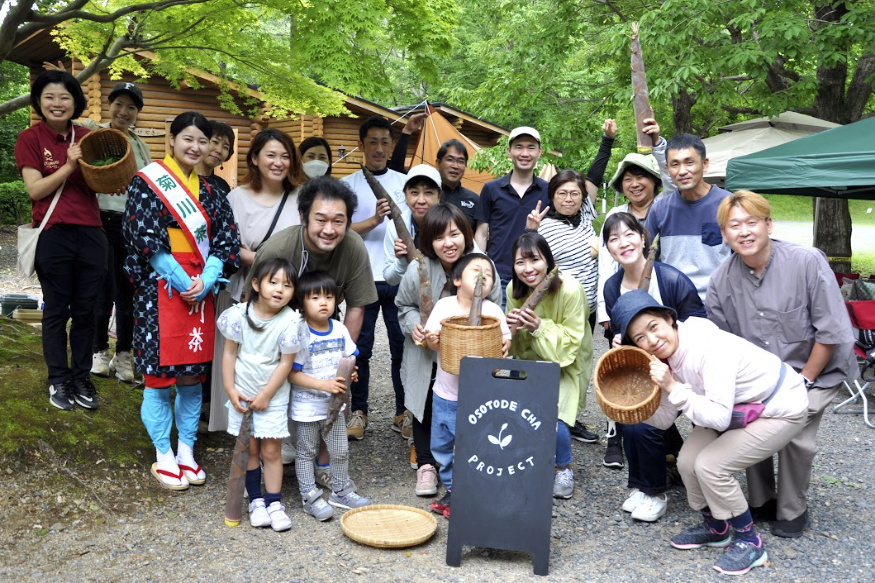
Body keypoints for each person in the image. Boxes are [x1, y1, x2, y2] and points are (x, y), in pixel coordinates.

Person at [612, 290, 808, 576]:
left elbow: (717, 417)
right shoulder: (663, 362)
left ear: (669, 319)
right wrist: (628, 407)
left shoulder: (707, 347)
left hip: (778, 406)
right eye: (640, 338)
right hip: (733, 408)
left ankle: (750, 541)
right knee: (687, 462)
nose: (652, 340)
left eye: (653, 327)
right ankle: (717, 526)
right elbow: (665, 419)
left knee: (711, 466)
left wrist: (672, 387)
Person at [707, 190, 857, 538]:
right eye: (734, 226)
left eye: (751, 222)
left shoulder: (807, 261)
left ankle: (792, 509)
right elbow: (723, 346)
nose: (744, 232)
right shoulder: (720, 282)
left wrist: (802, 382)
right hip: (759, 380)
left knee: (793, 431)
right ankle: (762, 500)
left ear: (768, 224)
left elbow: (830, 332)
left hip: (815, 372)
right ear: (724, 234)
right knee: (751, 426)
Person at [123, 111, 240, 489]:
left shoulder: (211, 191)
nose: (195, 147)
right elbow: (144, 237)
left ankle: (187, 449)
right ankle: (163, 453)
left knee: (192, 376)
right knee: (158, 377)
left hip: (199, 293)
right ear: (171, 140)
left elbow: (226, 240)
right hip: (159, 289)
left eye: (202, 141)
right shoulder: (147, 184)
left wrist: (206, 280)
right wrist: (181, 278)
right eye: (187, 138)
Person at [244, 176, 378, 485]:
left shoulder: (353, 248)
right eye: (320, 219)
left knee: (329, 393)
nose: (329, 229)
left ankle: (323, 464)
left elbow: (357, 305)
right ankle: (272, 451)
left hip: (324, 329)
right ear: (304, 217)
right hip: (275, 330)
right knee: (275, 393)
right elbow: (253, 305)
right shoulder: (279, 247)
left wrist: (343, 360)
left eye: (338, 221)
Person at [602, 212, 705, 521]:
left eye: (629, 234)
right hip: (646, 370)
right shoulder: (612, 287)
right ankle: (644, 486)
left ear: (643, 237)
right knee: (631, 414)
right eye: (613, 238)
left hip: (685, 368)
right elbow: (617, 335)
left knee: (648, 420)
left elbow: (699, 323)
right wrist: (620, 344)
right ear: (608, 248)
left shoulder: (671, 278)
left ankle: (655, 491)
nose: (623, 243)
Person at [395, 203, 502, 496]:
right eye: (439, 237)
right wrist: (415, 323)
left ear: (465, 234)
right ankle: (426, 465)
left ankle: (467, 460)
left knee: (466, 403)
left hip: (469, 352)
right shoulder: (418, 268)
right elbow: (403, 305)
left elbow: (497, 307)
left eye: (454, 234)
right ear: (428, 241)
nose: (448, 243)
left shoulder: (479, 265)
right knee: (423, 402)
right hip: (425, 350)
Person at [16, 70, 106, 411]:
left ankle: (81, 376)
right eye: (50, 97)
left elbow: (99, 180)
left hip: (92, 233)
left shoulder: (87, 137)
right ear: (39, 101)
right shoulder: (30, 138)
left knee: (87, 310)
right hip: (53, 233)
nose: (57, 103)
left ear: (75, 102)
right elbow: (36, 190)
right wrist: (69, 165)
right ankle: (58, 379)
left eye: (65, 97)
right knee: (57, 309)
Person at [209, 128, 303, 438]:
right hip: (243, 292)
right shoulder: (236, 197)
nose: (279, 163)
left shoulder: (301, 197)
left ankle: (279, 433)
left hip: (284, 296)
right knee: (238, 358)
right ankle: (237, 425)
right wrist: (263, 263)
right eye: (271, 155)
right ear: (254, 159)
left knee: (279, 359)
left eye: (285, 156)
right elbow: (224, 244)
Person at [217, 257, 303, 530]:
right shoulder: (239, 315)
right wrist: (230, 389)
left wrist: (266, 394)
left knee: (271, 451)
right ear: (256, 283)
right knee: (249, 449)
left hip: (273, 397)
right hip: (242, 394)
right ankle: (255, 500)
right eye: (273, 282)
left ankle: (275, 501)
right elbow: (229, 353)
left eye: (287, 285)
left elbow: (285, 363)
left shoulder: (291, 321)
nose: (280, 290)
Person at [505, 232, 592, 500]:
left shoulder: (570, 289)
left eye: (535, 260)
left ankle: (564, 467)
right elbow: (516, 346)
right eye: (520, 262)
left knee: (557, 417)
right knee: (518, 411)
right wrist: (513, 330)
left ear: (548, 260)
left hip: (566, 361)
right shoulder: (513, 289)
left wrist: (540, 328)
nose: (528, 269)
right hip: (530, 361)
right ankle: (529, 460)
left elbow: (572, 341)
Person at [423, 252, 511, 518]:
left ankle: (474, 488)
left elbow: (505, 341)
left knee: (477, 442)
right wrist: (432, 339)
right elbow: (430, 342)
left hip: (482, 394)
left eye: (489, 272)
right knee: (442, 442)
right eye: (476, 270)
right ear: (457, 279)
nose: (483, 275)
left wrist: (506, 345)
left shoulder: (494, 311)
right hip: (446, 392)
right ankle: (452, 488)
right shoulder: (444, 307)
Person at [341, 116, 408, 440]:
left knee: (402, 347)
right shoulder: (348, 185)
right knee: (360, 348)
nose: (379, 148)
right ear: (361, 145)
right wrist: (373, 219)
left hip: (397, 278)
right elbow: (339, 230)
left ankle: (403, 412)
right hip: (362, 276)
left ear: (392, 147)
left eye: (385, 142)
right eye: (373, 142)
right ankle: (359, 411)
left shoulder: (403, 183)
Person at [290, 271, 372, 521]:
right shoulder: (300, 332)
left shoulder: (339, 329)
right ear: (302, 302)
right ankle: (309, 496)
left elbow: (348, 361)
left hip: (334, 408)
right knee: (305, 452)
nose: (323, 302)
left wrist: (351, 375)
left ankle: (339, 490)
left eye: (328, 296)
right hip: (307, 408)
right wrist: (324, 385)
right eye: (315, 297)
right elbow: (292, 375)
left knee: (340, 450)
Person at [84, 82, 152, 384]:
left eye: (131, 107)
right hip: (99, 220)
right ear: (109, 105)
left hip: (130, 223)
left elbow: (148, 185)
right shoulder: (95, 134)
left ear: (137, 113)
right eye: (119, 104)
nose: (124, 112)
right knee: (102, 289)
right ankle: (98, 351)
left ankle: (124, 355)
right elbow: (74, 121)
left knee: (128, 292)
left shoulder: (140, 146)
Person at [644, 133, 732, 301]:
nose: (682, 171)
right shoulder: (659, 209)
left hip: (720, 304)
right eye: (675, 164)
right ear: (667, 169)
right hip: (673, 306)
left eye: (689, 162)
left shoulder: (729, 205)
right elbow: (645, 258)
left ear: (705, 164)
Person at [474, 126, 550, 309]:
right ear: (509, 151)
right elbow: (482, 234)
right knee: (500, 333)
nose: (525, 153)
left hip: (536, 276)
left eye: (531, 147)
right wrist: (479, 269)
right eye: (519, 147)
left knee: (533, 332)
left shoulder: (548, 190)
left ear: (540, 152)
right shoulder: (491, 189)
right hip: (498, 276)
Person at [388, 113, 480, 231]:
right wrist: (407, 132)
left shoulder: (474, 200)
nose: (455, 166)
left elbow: (480, 235)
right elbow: (396, 169)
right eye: (450, 160)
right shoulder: (426, 193)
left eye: (460, 161)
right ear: (438, 163)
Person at [196, 120, 236, 192]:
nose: (219, 150)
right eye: (215, 142)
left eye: (225, 147)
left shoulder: (223, 187)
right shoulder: (180, 180)